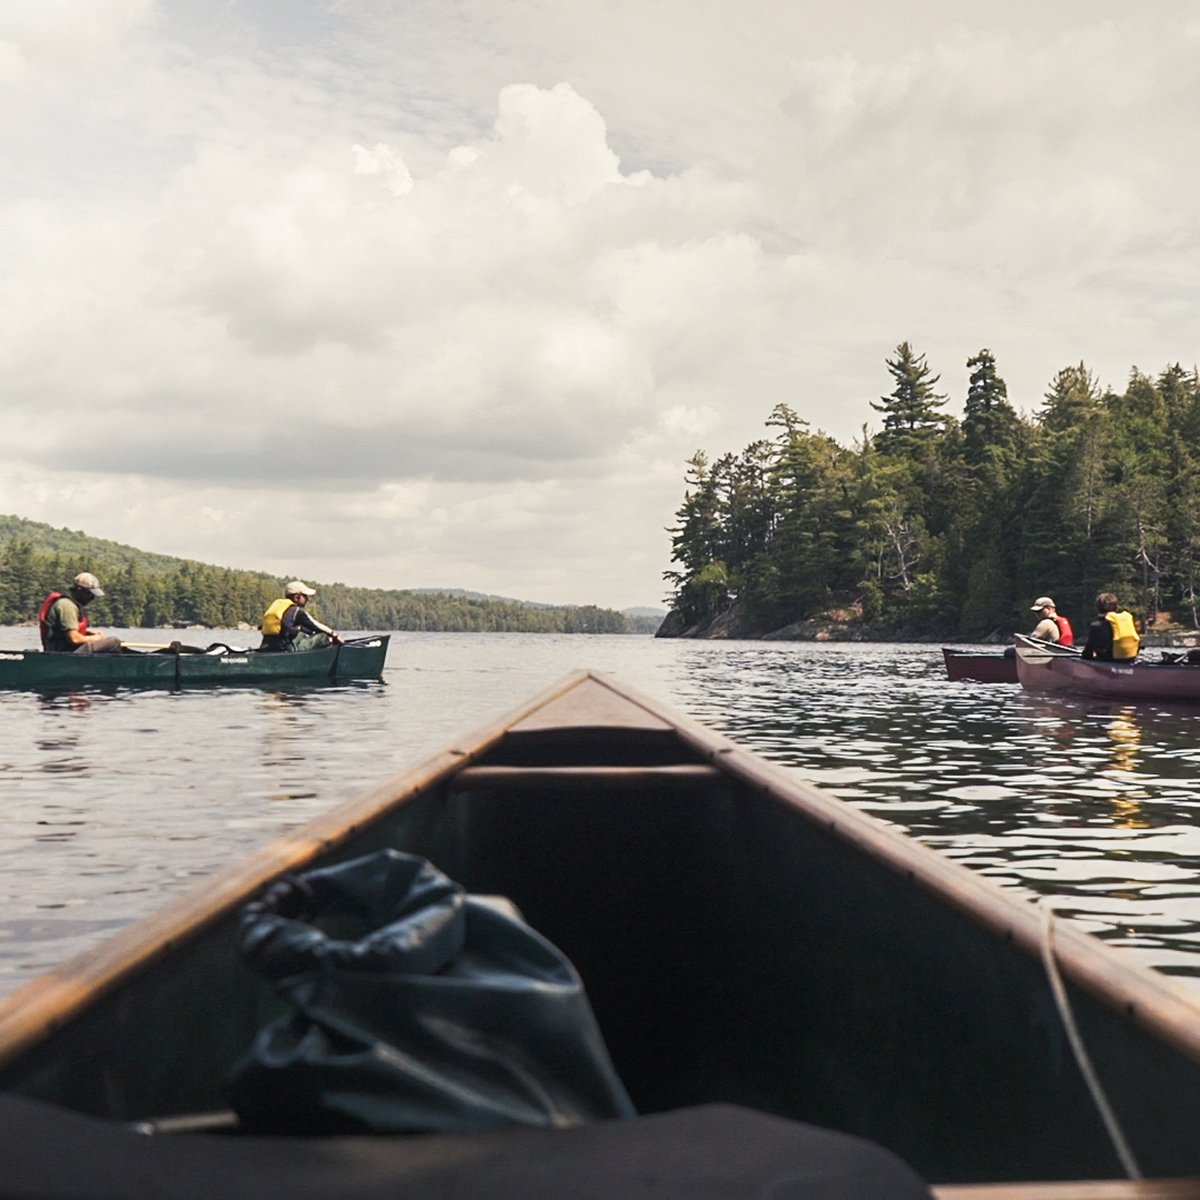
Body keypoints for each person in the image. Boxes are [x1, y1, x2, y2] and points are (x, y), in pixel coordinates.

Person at [38, 572, 123, 654]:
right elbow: (75, 639)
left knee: (120, 646)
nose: (92, 598)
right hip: (63, 655)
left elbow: (68, 631)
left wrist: (88, 634)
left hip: (67, 651)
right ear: (79, 590)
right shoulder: (67, 606)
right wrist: (95, 638)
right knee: (113, 642)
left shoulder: (72, 604)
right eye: (90, 594)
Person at [259, 581, 343, 653]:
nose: (307, 599)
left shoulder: (278, 607)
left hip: (267, 647)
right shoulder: (297, 611)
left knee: (302, 634)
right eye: (305, 596)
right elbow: (316, 626)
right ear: (296, 597)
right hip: (286, 649)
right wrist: (334, 635)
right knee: (323, 636)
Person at [1080, 592, 1140, 662]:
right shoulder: (1128, 620)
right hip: (1130, 659)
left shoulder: (1097, 626)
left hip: (1109, 660)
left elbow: (1087, 654)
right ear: (1116, 607)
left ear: (1098, 608)